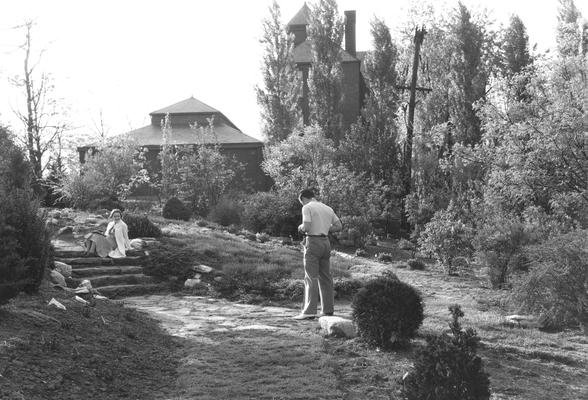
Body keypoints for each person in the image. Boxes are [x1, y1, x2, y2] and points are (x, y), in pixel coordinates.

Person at [293, 188, 342, 320]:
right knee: (326, 277)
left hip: (313, 242)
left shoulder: (307, 207)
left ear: (303, 198)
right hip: (326, 242)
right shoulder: (327, 208)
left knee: (311, 277)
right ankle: (328, 310)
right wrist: (326, 228)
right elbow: (338, 226)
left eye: (301, 202)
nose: (302, 205)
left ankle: (309, 311)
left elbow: (307, 227)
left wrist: (300, 227)